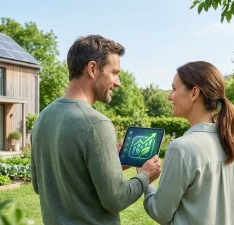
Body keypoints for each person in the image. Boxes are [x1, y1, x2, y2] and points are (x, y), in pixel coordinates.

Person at [31, 35, 161, 225]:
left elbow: (39, 185)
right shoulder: (96, 124)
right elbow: (116, 199)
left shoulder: (43, 118)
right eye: (114, 72)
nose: (118, 82)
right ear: (92, 69)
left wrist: (111, 164)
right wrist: (145, 175)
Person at [143, 61, 234, 225]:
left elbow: (160, 212)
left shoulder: (181, 149)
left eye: (174, 89)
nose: (169, 96)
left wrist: (147, 182)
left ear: (194, 93)